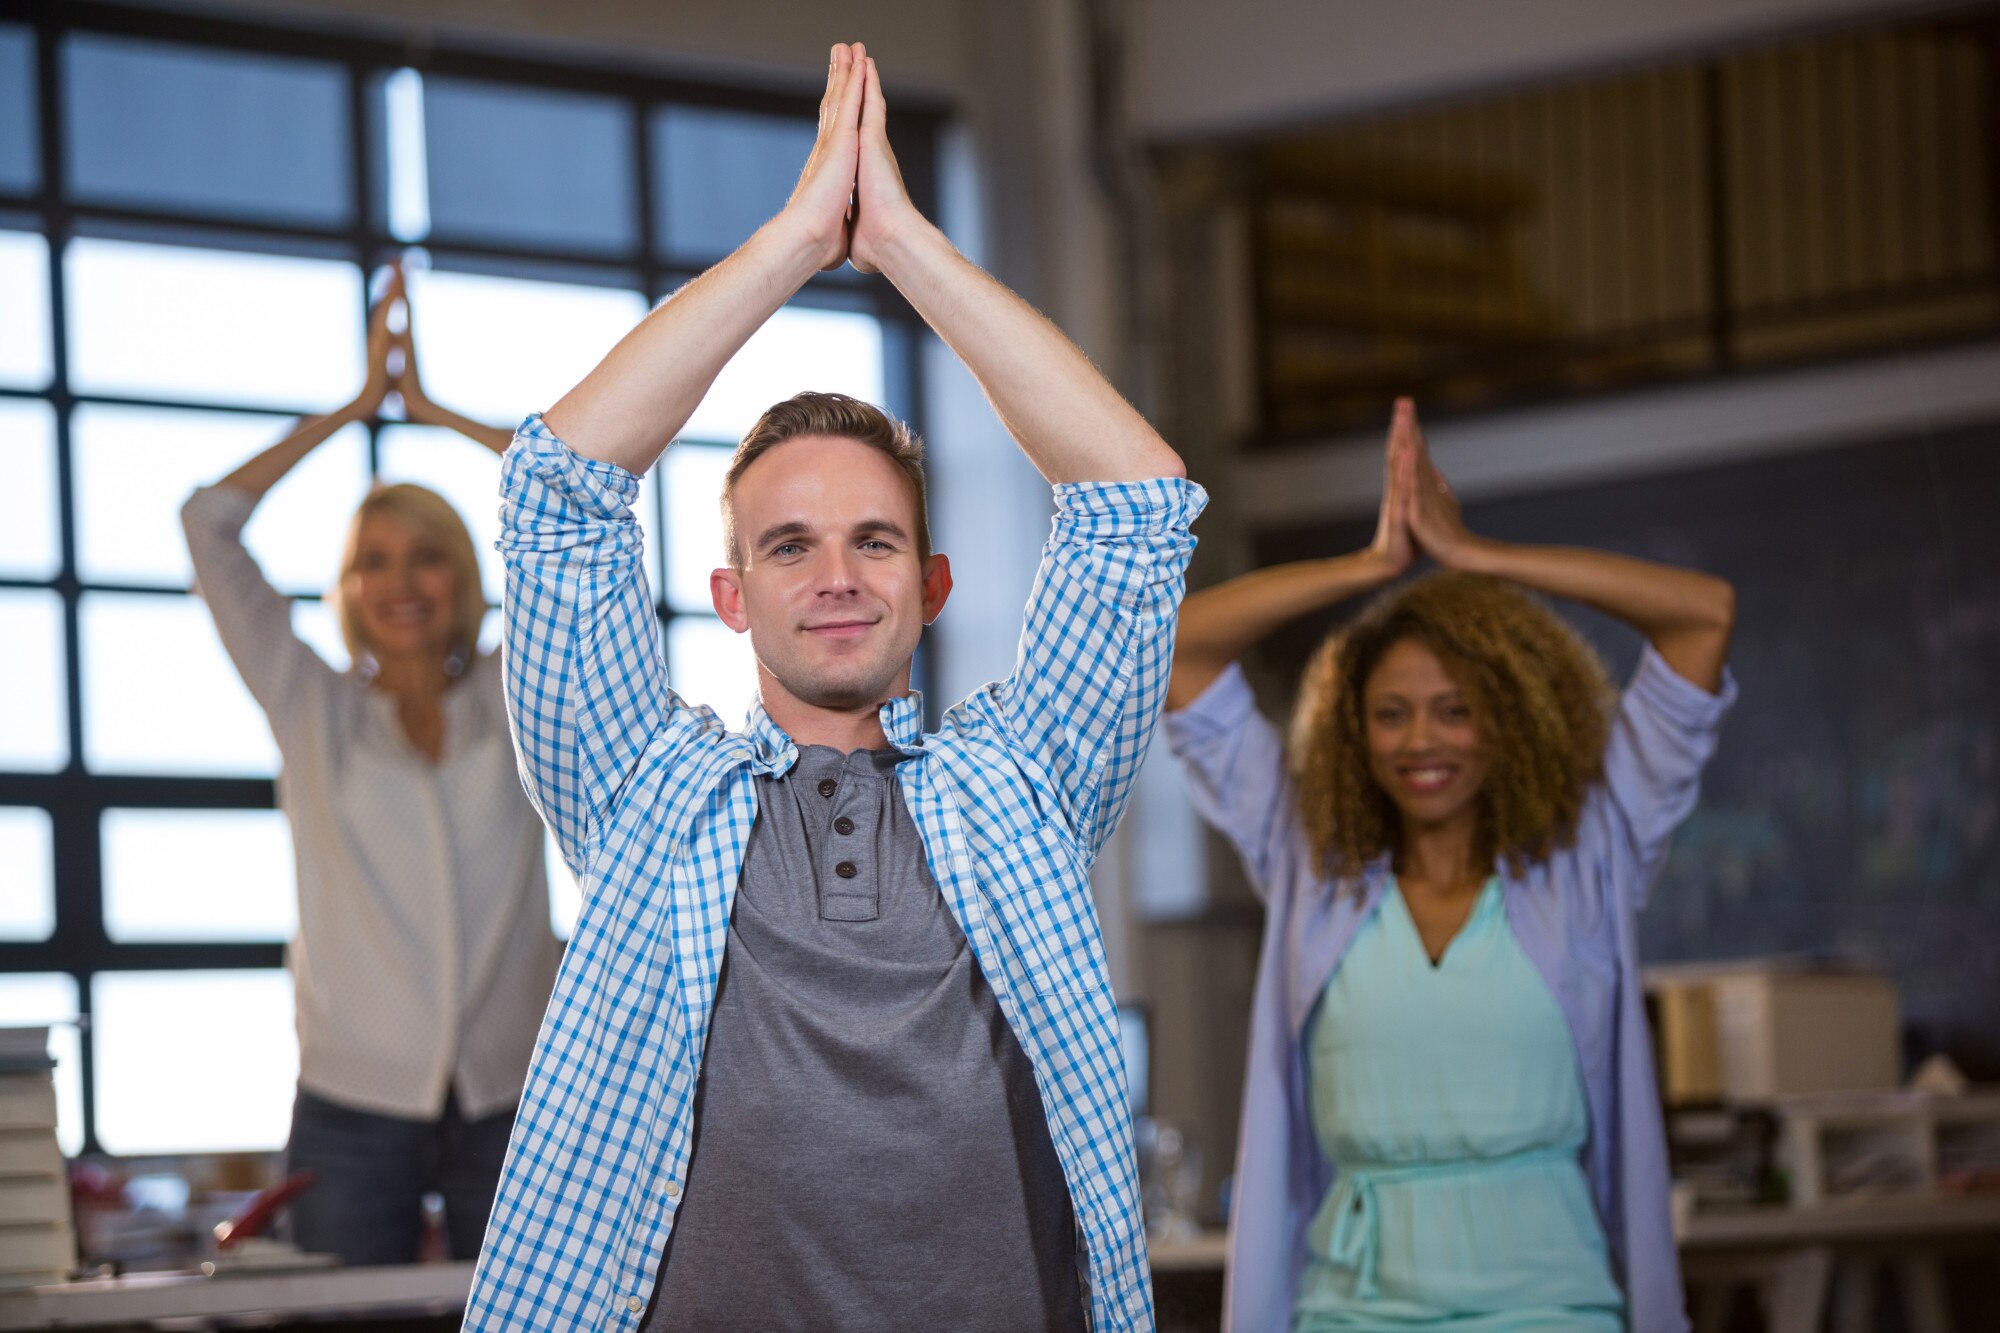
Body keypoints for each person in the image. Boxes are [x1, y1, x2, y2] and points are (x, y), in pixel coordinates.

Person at [464, 41, 1200, 1333]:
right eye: (789, 547)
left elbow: (1137, 504)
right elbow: (558, 494)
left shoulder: (1022, 784)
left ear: (935, 582)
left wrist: (905, 245)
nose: (839, 577)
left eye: (876, 540)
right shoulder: (646, 797)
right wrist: (801, 240)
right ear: (733, 595)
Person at [1163, 400, 1736, 1333]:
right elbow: (1177, 644)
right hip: (1346, 1311)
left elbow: (1703, 618)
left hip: (1553, 1307)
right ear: (1356, 729)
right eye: (1391, 712)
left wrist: (1475, 556)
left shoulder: (1590, 849)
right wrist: (1369, 567)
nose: (1421, 740)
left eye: (1455, 709)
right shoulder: (1312, 856)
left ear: (1510, 717)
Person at [180, 266, 560, 1265]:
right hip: (351, 1105)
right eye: (374, 559)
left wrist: (433, 414)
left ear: (463, 573)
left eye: (426, 553)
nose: (402, 581)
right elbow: (206, 524)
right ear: (347, 586)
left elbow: (585, 506)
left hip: (515, 1092)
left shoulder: (514, 688)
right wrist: (351, 412)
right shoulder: (312, 705)